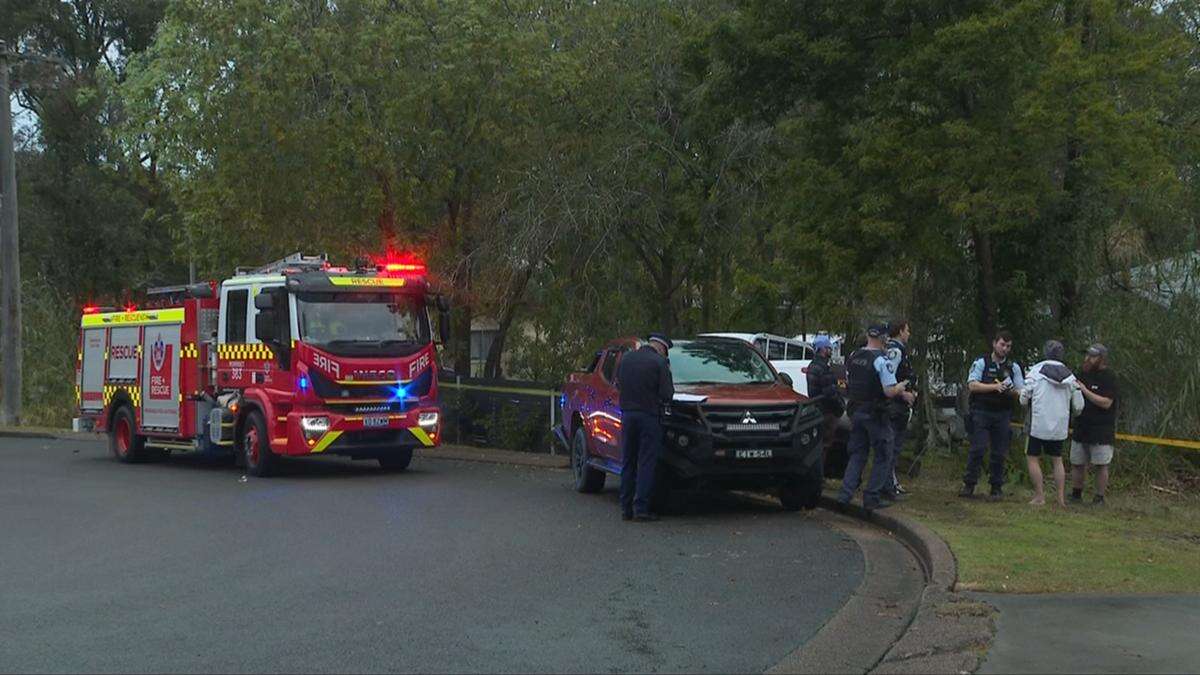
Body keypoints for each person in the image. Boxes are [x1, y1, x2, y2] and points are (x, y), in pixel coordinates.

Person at [836, 323, 909, 513]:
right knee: (884, 454)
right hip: (875, 412)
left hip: (855, 411)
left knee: (858, 454)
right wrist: (900, 388)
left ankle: (845, 495)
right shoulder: (881, 361)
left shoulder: (854, 356)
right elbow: (889, 390)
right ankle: (872, 498)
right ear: (883, 338)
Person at [616, 333, 674, 522]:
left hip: (627, 415)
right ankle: (641, 507)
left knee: (628, 461)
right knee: (646, 462)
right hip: (649, 416)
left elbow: (618, 384)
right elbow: (667, 394)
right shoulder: (659, 363)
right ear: (662, 348)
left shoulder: (626, 359)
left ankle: (625, 508)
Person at [961, 329, 1024, 500]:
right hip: (981, 411)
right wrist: (994, 388)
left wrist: (1011, 391)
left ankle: (996, 487)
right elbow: (972, 385)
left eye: (1008, 346)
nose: (1005, 349)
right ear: (995, 343)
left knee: (999, 451)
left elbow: (1021, 392)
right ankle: (969, 484)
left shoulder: (1013, 367)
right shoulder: (981, 362)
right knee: (978, 448)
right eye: (1002, 344)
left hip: (1002, 413)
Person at [1019, 340, 1084, 507]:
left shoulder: (1035, 371)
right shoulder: (1070, 376)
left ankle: (1040, 496)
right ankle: (1061, 499)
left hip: (1037, 425)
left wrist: (1025, 402)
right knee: (1057, 460)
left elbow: (1023, 398)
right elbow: (1079, 406)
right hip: (1059, 426)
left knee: (1032, 458)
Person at [1071, 344, 1118, 506]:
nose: (1087, 359)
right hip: (1081, 426)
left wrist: (1084, 390)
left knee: (1101, 464)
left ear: (1102, 358)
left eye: (1092, 356)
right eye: (1087, 356)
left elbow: (1106, 403)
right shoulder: (1082, 374)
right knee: (1077, 462)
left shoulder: (1109, 377)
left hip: (1101, 429)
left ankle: (1099, 497)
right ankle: (1076, 494)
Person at [884, 320, 918, 498]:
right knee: (893, 447)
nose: (909, 334)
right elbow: (888, 377)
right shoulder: (895, 352)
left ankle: (892, 482)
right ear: (900, 332)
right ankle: (888, 485)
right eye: (907, 330)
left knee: (894, 447)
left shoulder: (895, 350)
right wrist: (902, 394)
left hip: (898, 405)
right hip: (895, 406)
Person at [806, 334, 843, 467]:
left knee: (817, 444)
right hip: (826, 411)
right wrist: (840, 408)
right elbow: (830, 393)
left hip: (816, 409)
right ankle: (819, 475)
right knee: (824, 445)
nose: (830, 350)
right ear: (823, 349)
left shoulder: (812, 366)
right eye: (828, 348)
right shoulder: (823, 368)